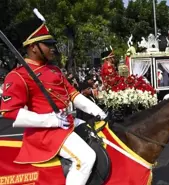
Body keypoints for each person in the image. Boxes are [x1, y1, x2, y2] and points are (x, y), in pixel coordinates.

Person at [0, 9, 107, 185]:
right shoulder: (18, 76)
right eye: (47, 44)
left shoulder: (54, 70)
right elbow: (10, 112)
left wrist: (99, 112)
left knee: (101, 135)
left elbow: (73, 95)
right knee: (85, 158)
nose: (53, 48)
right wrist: (51, 121)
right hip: (45, 133)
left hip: (67, 123)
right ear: (33, 47)